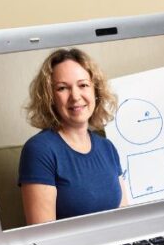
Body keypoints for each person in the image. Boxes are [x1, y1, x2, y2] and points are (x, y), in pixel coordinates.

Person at [18, 48, 130, 225]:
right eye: (62, 88)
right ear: (50, 97)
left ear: (96, 91)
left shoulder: (107, 147)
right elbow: (44, 237)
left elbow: (126, 219)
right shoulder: (39, 150)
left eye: (83, 85)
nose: (75, 96)